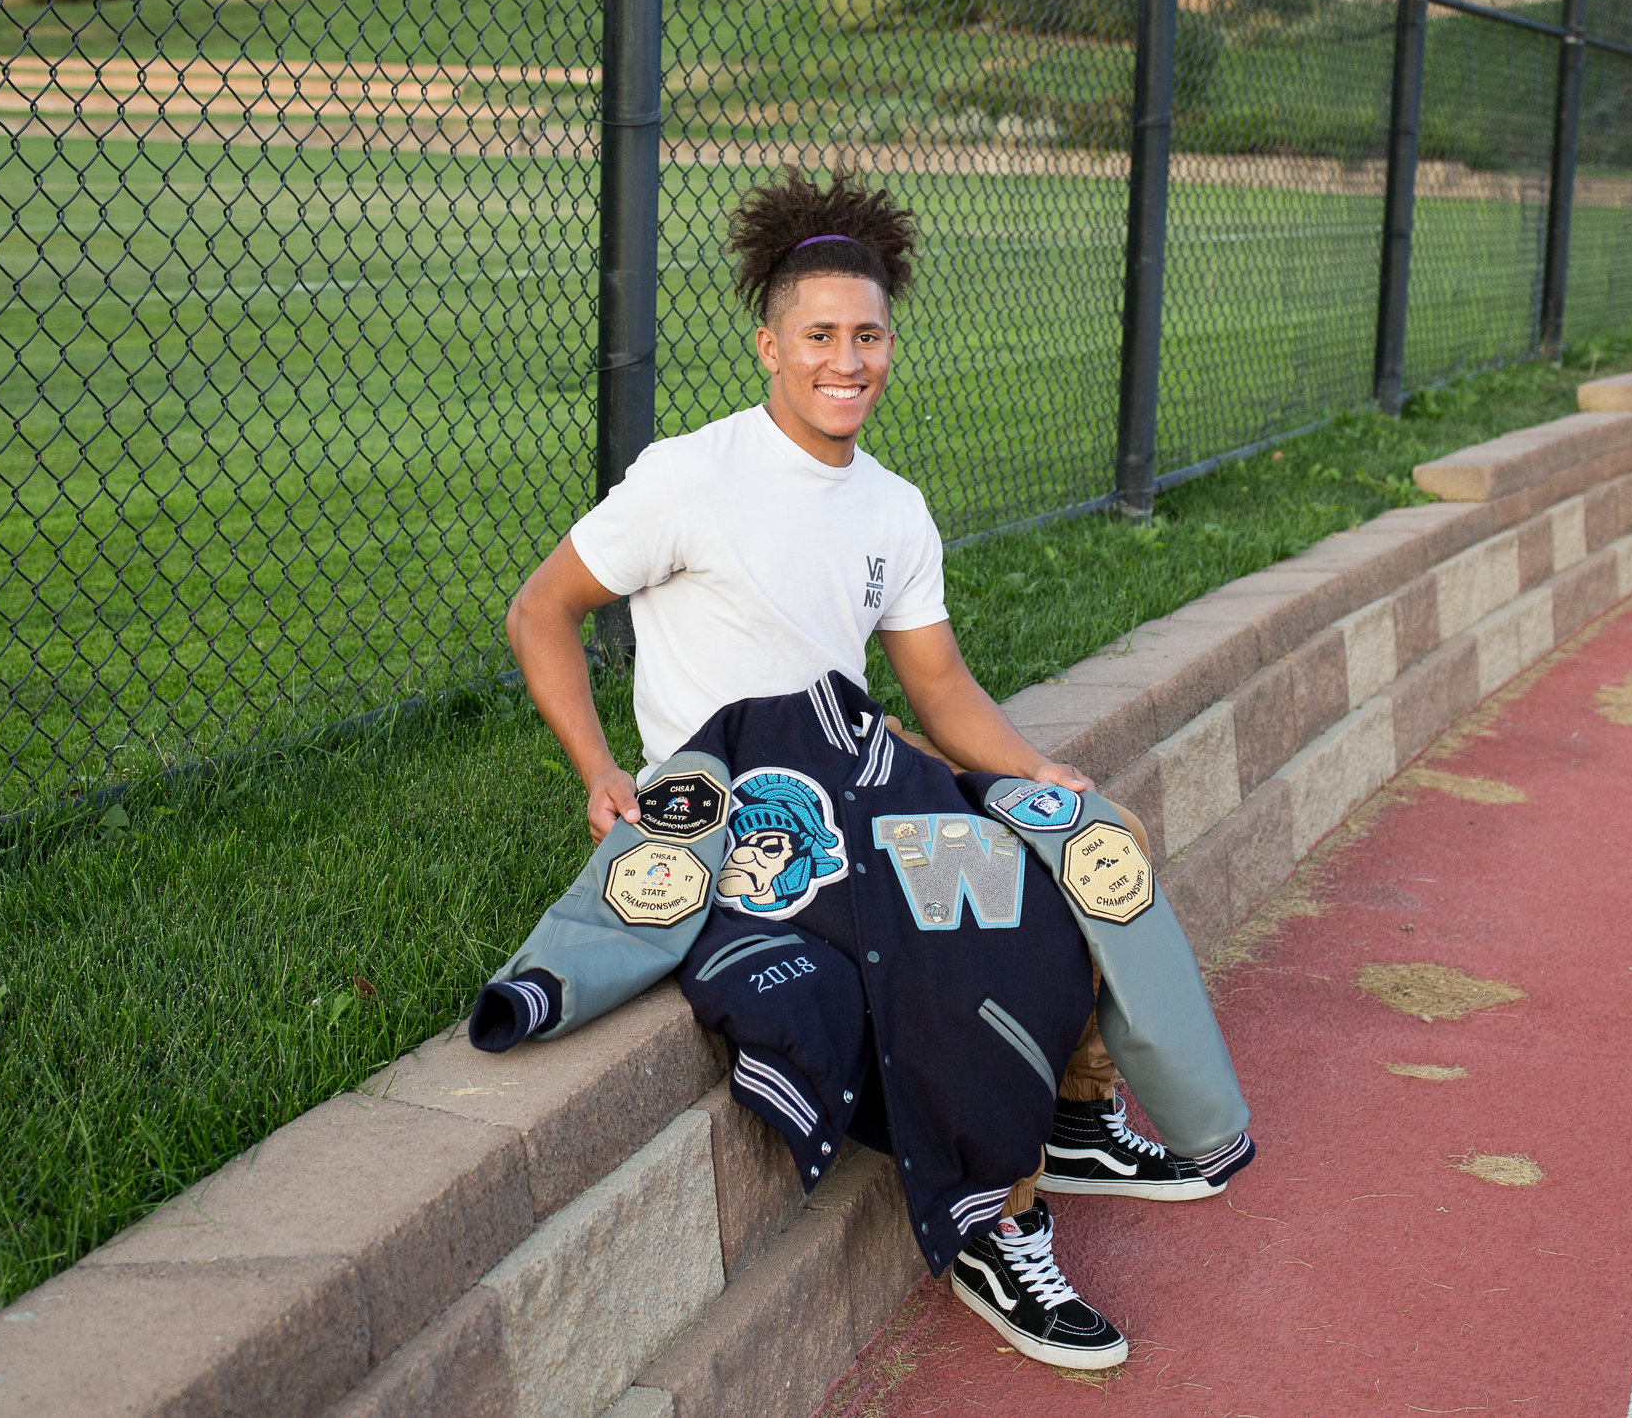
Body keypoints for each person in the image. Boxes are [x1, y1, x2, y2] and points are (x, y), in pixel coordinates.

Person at [495, 170, 1250, 1367]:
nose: (847, 359)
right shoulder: (691, 476)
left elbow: (937, 689)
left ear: (890, 341)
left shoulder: (892, 506)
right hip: (747, 812)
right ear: (769, 346)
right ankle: (998, 1227)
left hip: (859, 776)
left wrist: (1045, 770)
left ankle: (1078, 1115)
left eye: (867, 334)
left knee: (1078, 844)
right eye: (820, 336)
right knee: (950, 932)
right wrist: (601, 771)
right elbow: (540, 611)